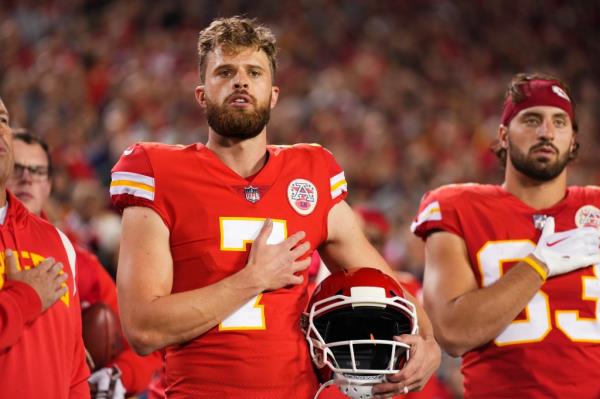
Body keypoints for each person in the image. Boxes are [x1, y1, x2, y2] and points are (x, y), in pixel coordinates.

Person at [110, 16, 440, 398]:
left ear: (274, 94)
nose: (241, 81)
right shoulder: (157, 171)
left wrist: (428, 342)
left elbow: (384, 284)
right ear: (201, 94)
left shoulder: (311, 173)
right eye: (225, 72)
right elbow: (143, 329)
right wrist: (253, 279)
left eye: (254, 72)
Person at [411, 72, 600, 398]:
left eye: (559, 122)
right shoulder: (458, 206)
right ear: (503, 134)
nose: (546, 132)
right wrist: (537, 265)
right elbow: (452, 332)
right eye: (531, 120)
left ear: (573, 139)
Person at [6, 131, 162, 398]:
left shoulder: (78, 261)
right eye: (16, 168)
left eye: (37, 171)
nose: (27, 178)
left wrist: (119, 375)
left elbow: (144, 341)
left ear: (50, 185)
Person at [0, 97, 90, 398]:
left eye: (3, 120)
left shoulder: (58, 242)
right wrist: (25, 298)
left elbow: (74, 370)